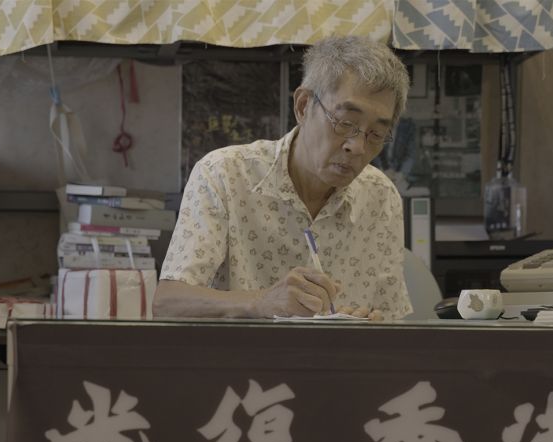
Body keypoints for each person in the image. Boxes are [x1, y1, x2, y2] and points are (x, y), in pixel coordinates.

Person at [154, 36, 413, 321]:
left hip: (337, 362)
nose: (358, 147)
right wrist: (260, 302)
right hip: (241, 363)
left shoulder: (380, 197)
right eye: (346, 123)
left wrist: (367, 325)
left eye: (376, 134)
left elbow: (391, 317)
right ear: (303, 106)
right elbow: (167, 303)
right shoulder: (225, 175)